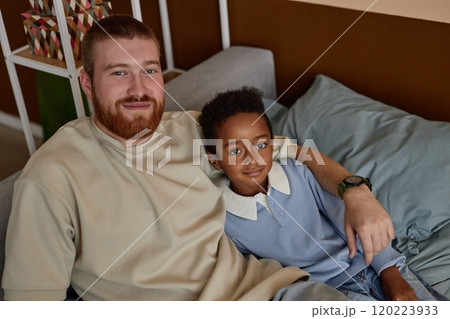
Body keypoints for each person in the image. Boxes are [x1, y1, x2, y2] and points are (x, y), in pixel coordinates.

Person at [2, 15, 389, 301]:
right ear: (87, 83)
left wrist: (355, 191)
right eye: (119, 72)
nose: (139, 89)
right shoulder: (52, 175)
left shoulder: (194, 131)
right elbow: (32, 302)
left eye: (149, 71)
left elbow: (300, 152)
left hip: (273, 293)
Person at [198, 86, 442, 301]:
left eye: (261, 145)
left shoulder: (300, 174)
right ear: (216, 162)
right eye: (234, 151)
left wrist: (390, 272)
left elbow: (357, 221)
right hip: (330, 294)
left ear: (273, 145)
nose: (253, 159)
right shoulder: (224, 219)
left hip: (375, 267)